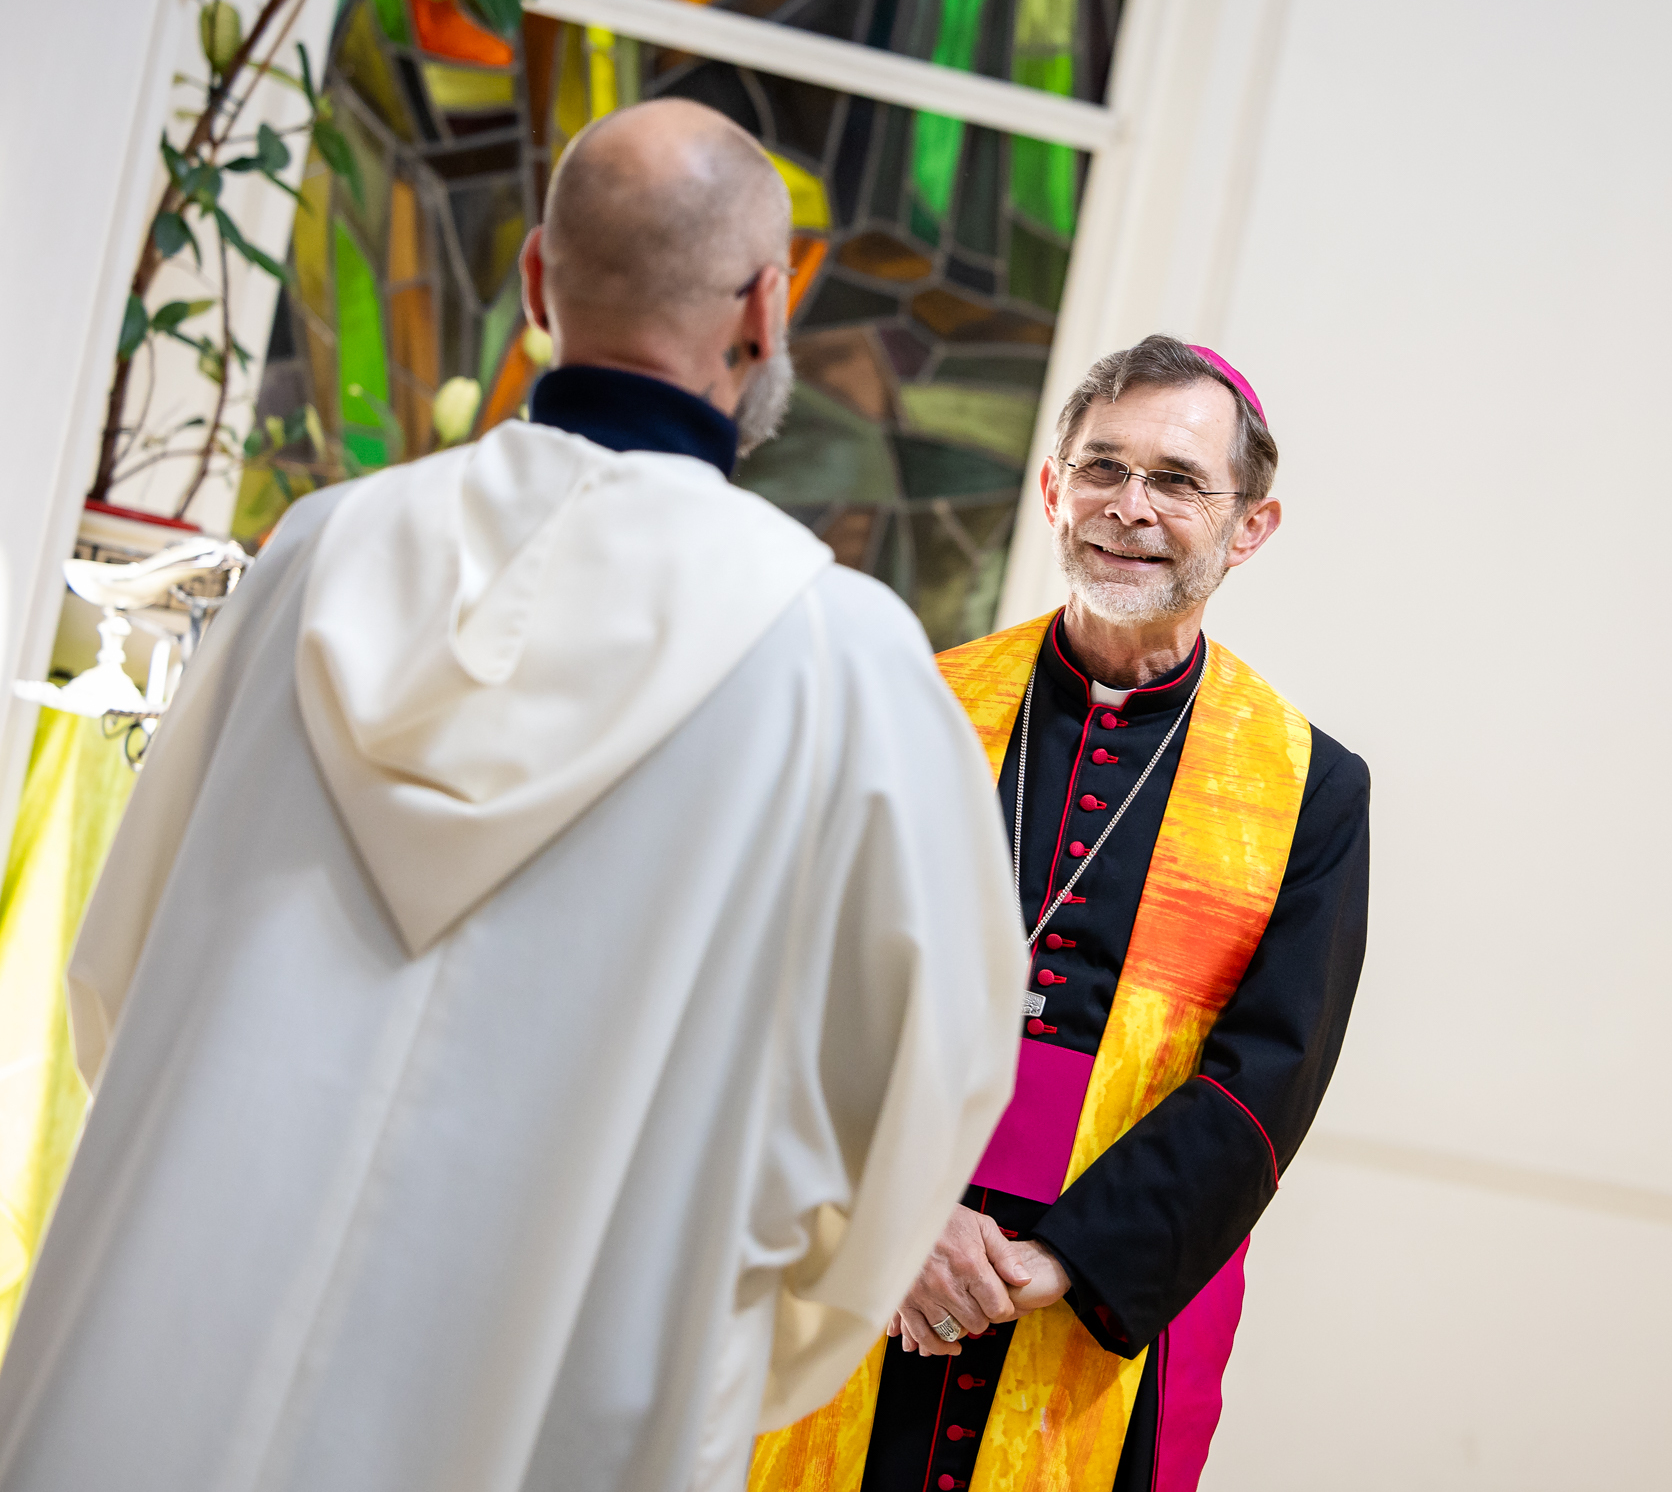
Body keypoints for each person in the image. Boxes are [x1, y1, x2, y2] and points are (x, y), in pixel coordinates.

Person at [0, 100, 1028, 1492]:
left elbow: (125, 960)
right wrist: (736, 1340)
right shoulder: (837, 661)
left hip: (177, 1357)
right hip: (557, 1396)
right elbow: (913, 1103)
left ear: (537, 283)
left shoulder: (321, 554)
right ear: (765, 308)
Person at [752, 337, 1370, 1492]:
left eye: (1177, 479)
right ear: (1052, 488)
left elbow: (1268, 1077)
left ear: (1250, 527)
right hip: (863, 1252)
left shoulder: (1308, 788)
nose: (1129, 505)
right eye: (1102, 467)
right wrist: (901, 1217)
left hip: (1094, 1289)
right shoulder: (914, 703)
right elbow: (791, 983)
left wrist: (1061, 1260)